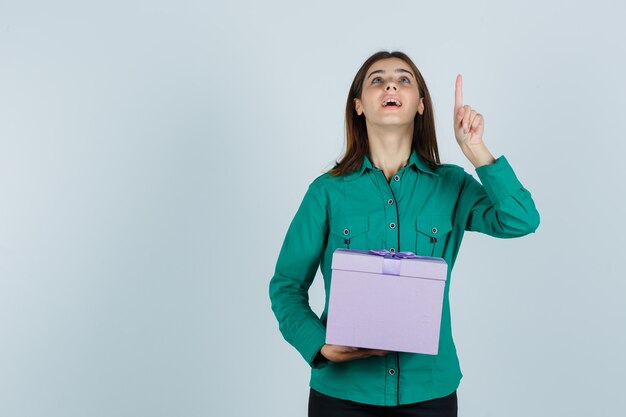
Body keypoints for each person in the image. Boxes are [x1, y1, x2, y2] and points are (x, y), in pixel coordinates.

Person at [268, 50, 540, 417]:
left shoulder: (453, 185)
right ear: (359, 105)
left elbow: (521, 220)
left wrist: (475, 150)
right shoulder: (326, 192)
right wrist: (318, 344)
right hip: (342, 394)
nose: (390, 84)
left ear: (421, 105)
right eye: (376, 79)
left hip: (429, 392)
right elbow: (286, 285)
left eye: (404, 79)